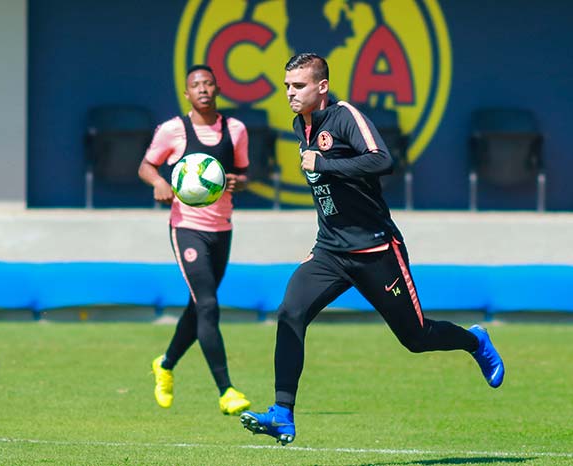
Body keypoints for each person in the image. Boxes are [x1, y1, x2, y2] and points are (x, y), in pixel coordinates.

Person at [239, 53, 504, 445]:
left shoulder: (346, 116)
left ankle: (475, 340)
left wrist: (325, 164)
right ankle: (282, 412)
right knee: (290, 313)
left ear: (322, 86)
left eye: (298, 86)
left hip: (377, 250)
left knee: (416, 338)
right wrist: (322, 239)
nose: (290, 93)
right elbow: (328, 194)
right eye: (287, 86)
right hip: (330, 252)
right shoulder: (301, 124)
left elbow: (383, 160)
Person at [138, 64, 252, 416]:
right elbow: (146, 166)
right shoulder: (172, 130)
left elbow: (244, 174)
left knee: (198, 305)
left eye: (207, 83)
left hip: (222, 228)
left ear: (217, 88)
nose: (202, 89)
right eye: (195, 85)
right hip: (186, 227)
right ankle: (226, 390)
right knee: (208, 305)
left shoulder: (236, 129)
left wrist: (238, 182)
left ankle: (166, 364)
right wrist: (158, 183)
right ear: (187, 94)